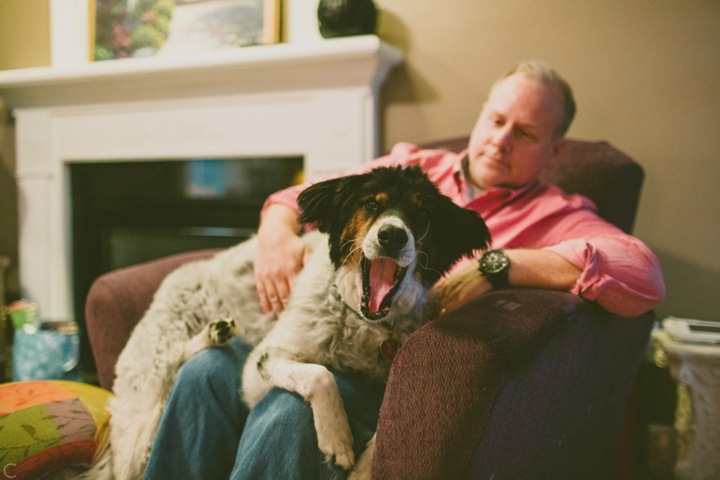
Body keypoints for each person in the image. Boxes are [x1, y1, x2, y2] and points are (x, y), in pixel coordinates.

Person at [142, 61, 665, 480]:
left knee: (288, 410)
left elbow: (643, 274)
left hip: (387, 364)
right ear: (481, 115)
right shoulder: (415, 164)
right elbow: (305, 197)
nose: (501, 140)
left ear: (556, 151)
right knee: (203, 372)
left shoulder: (557, 214)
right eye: (497, 120)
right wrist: (276, 232)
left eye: (525, 132)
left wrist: (499, 264)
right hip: (315, 331)